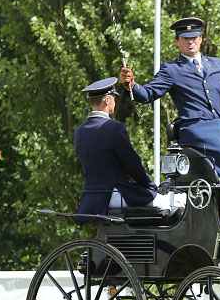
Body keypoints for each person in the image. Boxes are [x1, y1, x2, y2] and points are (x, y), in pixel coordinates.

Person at [119, 17, 220, 230]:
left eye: (194, 37)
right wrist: (131, 85)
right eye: (185, 38)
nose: (190, 42)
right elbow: (149, 93)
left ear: (201, 39)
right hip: (195, 129)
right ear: (177, 41)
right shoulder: (171, 69)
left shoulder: (218, 65)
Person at [74, 77, 184, 217]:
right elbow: (132, 164)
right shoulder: (113, 128)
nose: (114, 101)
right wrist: (151, 186)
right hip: (118, 195)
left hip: (92, 200)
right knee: (178, 201)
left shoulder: (79, 131)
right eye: (113, 98)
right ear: (107, 100)